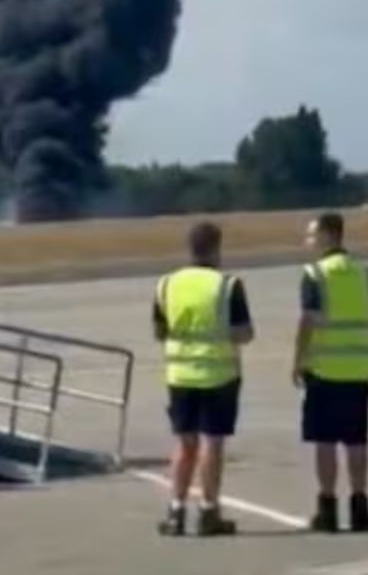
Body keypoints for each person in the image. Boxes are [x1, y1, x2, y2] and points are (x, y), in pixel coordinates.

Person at [154, 222, 254, 537]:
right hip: (218, 375)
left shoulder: (167, 284)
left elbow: (159, 331)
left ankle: (176, 511)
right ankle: (209, 510)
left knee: (185, 444)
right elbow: (244, 333)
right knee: (212, 443)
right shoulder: (227, 285)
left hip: (180, 375)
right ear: (216, 248)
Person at [293, 213, 368, 533]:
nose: (308, 241)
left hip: (324, 368)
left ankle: (328, 508)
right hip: (359, 369)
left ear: (329, 235)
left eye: (312, 235)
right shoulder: (365, 273)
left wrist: (298, 360)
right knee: (356, 440)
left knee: (325, 441)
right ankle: (361, 507)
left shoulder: (315, 274)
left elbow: (307, 319)